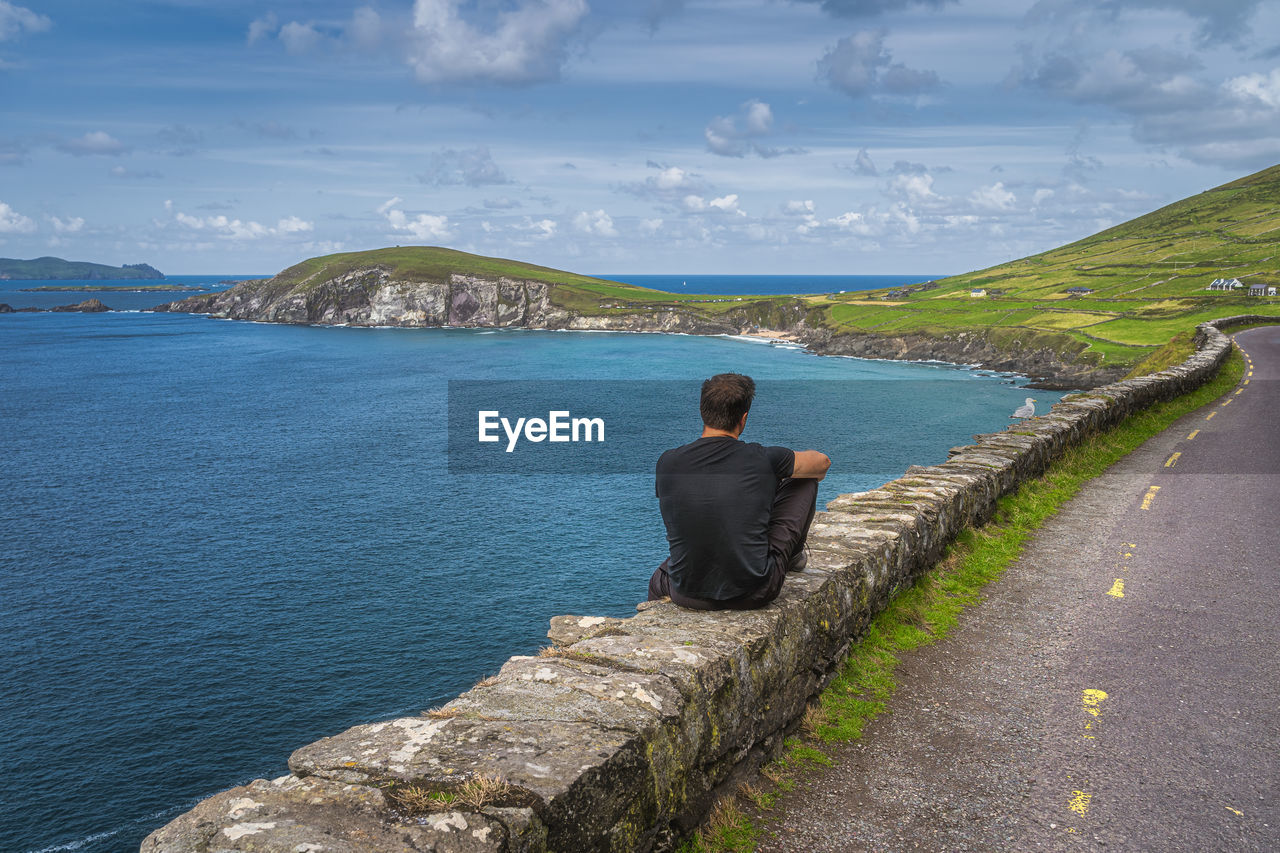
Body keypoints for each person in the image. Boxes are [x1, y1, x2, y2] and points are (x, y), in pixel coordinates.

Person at [647, 373, 831, 610]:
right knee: (805, 480)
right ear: (743, 419)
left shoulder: (667, 462)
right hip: (755, 591)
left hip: (686, 591)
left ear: (703, 412)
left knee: (658, 578)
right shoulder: (765, 459)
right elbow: (822, 463)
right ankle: (793, 557)